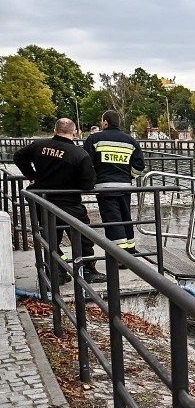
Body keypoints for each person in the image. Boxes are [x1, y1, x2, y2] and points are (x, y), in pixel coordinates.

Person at [14, 118, 107, 284]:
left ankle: (57, 271)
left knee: (50, 237)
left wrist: (32, 176)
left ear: (55, 130)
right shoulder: (79, 154)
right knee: (82, 237)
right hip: (68, 202)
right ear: (75, 131)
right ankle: (88, 270)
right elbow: (88, 184)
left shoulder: (38, 146)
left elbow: (18, 156)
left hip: (42, 201)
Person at [83, 110, 145, 257]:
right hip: (125, 187)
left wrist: (90, 181)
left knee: (112, 221)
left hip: (104, 187)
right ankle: (130, 249)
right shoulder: (130, 141)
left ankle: (120, 256)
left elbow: (85, 164)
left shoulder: (94, 139)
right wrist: (128, 176)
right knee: (125, 217)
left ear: (105, 122)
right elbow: (139, 166)